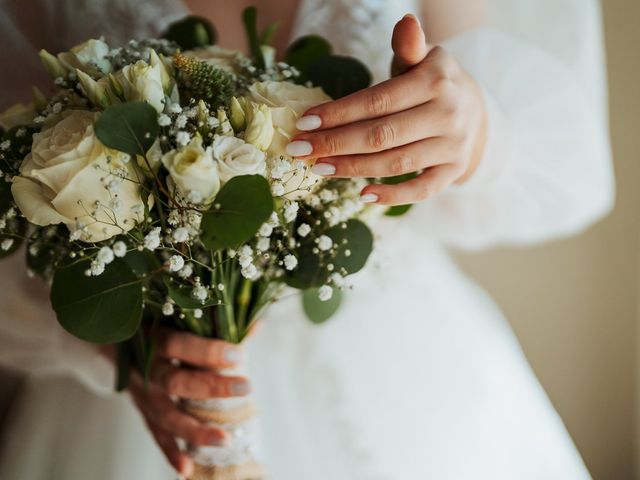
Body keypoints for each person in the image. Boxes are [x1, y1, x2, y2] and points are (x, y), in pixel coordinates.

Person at [0, 0, 614, 479]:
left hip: (406, 369)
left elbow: (573, 171)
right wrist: (120, 354)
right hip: (145, 397)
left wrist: (478, 129)